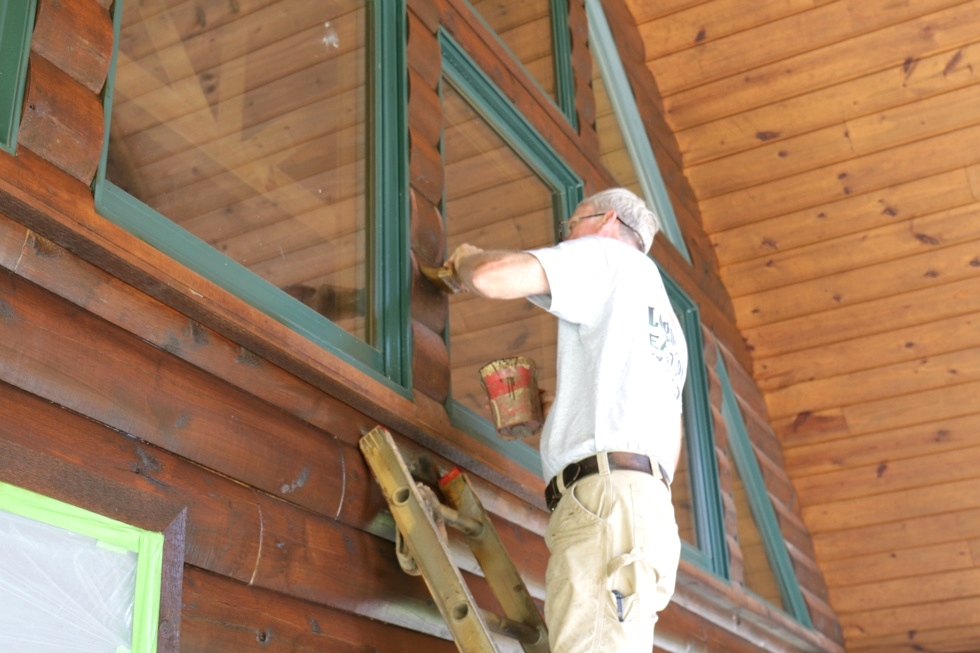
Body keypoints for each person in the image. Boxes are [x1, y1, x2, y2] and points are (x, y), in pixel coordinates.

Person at [446, 187, 687, 653]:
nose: (568, 237)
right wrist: (566, 407)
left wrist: (465, 262)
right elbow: (651, 431)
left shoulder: (608, 256)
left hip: (609, 507)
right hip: (646, 514)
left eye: (571, 226)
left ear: (608, 222)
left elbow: (493, 278)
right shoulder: (665, 321)